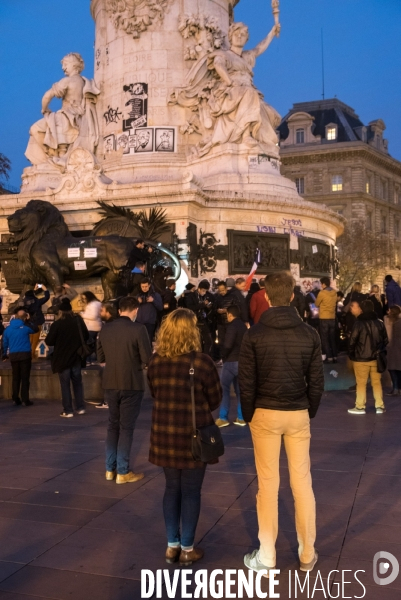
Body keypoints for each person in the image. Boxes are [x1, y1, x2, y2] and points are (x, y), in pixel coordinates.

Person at [239, 271, 324, 576]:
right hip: (297, 411)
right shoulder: (309, 334)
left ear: (265, 296)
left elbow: (246, 382)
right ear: (291, 296)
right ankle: (307, 552)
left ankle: (267, 554)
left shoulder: (254, 335)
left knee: (268, 485)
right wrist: (309, 409)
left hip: (264, 412)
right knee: (302, 483)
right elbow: (316, 381)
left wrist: (248, 413)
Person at [147, 308, 222, 566]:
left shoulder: (156, 361)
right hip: (194, 437)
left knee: (171, 489)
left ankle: (172, 546)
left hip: (165, 436)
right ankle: (188, 548)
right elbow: (215, 400)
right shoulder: (202, 362)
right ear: (193, 333)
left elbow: (155, 392)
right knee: (191, 491)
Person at [97, 296, 152, 484]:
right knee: (126, 428)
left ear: (119, 310)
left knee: (113, 425)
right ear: (135, 310)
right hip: (131, 383)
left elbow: (100, 356)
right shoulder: (139, 329)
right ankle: (123, 471)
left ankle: (109, 469)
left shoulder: (105, 329)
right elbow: (147, 358)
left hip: (110, 382)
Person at [45, 299, 88, 418]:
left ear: (60, 312)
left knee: (65, 385)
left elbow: (49, 341)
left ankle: (68, 410)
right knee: (77, 383)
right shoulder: (78, 321)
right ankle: (80, 407)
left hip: (62, 359)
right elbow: (86, 335)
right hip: (76, 357)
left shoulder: (57, 324)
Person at [348, 299, 388, 415]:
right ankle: (379, 406)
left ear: (362, 309)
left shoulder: (358, 323)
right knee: (376, 382)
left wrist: (351, 354)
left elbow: (352, 341)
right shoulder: (379, 322)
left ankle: (360, 406)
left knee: (361, 383)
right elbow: (386, 340)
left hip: (360, 358)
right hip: (376, 358)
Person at [216, 305, 247, 428]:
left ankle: (223, 417)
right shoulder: (243, 326)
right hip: (242, 362)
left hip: (230, 362)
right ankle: (241, 417)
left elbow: (228, 345)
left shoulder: (232, 327)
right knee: (240, 391)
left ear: (229, 314)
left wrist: (223, 356)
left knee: (224, 389)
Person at [2, 308, 39, 406]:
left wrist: (4, 354)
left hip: (14, 355)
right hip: (25, 355)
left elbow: (4, 343)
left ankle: (15, 398)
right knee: (25, 378)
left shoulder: (8, 329)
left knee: (16, 377)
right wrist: (29, 320)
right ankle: (25, 399)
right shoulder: (25, 327)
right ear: (24, 317)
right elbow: (36, 329)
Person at [20, 285, 50, 357]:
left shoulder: (24, 301)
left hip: (28, 322)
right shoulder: (36, 301)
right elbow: (46, 297)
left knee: (29, 338)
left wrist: (34, 290)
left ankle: (27, 352)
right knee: (35, 339)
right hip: (37, 321)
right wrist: (45, 289)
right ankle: (32, 354)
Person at [186, 281, 215, 355]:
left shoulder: (206, 296)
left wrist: (208, 306)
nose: (204, 292)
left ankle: (205, 356)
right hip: (194, 321)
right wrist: (202, 304)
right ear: (198, 288)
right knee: (198, 341)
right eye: (203, 291)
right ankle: (198, 357)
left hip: (203, 320)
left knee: (208, 341)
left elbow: (208, 307)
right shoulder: (191, 296)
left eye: (206, 291)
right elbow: (190, 307)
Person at [315, 276, 338, 363]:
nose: (321, 285)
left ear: (324, 284)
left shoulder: (322, 293)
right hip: (332, 318)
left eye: (321, 284)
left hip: (324, 318)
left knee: (325, 338)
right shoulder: (334, 292)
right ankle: (335, 356)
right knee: (332, 338)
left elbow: (317, 304)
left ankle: (329, 357)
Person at [384, 305, 401, 396]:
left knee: (392, 368)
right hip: (397, 347)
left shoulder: (388, 320)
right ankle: (398, 388)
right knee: (398, 368)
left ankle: (395, 388)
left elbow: (388, 334)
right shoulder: (398, 321)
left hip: (392, 346)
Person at [81, 291, 102, 362]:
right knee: (97, 346)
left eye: (84, 298)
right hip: (97, 326)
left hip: (91, 328)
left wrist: (82, 314)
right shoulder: (98, 303)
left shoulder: (92, 305)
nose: (84, 300)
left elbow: (93, 316)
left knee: (88, 345)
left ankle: (89, 360)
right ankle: (98, 360)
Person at [215, 281, 235, 352]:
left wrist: (227, 310)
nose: (221, 292)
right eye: (220, 291)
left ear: (226, 288)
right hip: (220, 322)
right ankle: (222, 356)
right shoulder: (217, 297)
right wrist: (217, 310)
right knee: (221, 341)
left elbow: (236, 308)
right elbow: (214, 308)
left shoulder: (232, 296)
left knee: (230, 340)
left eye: (223, 290)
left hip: (230, 322)